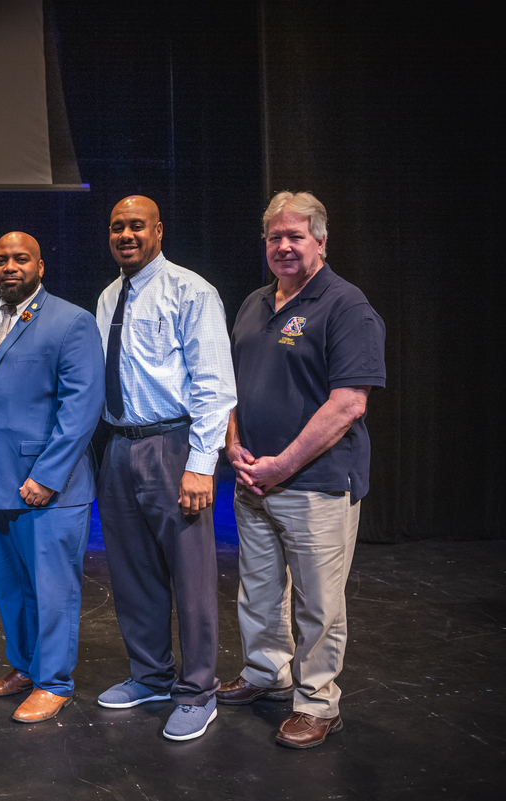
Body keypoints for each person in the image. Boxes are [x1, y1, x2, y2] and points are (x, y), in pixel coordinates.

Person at [220, 191, 385, 749]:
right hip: (253, 480)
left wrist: (282, 465)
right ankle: (267, 673)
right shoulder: (252, 304)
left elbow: (349, 404)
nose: (284, 246)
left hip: (315, 483)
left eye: (296, 235)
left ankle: (318, 702)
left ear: (320, 240)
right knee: (260, 591)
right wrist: (234, 445)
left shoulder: (346, 306)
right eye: (275, 237)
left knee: (319, 602)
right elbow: (231, 389)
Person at [93, 195, 236, 742]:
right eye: (116, 227)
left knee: (191, 573)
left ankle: (198, 689)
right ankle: (150, 675)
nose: (125, 235)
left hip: (173, 444)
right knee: (130, 571)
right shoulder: (109, 296)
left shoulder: (190, 289)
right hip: (121, 445)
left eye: (136, 226)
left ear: (158, 229)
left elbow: (215, 385)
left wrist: (202, 464)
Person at [0, 232, 105, 724]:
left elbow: (82, 406)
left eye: (20, 259)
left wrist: (47, 475)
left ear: (40, 266)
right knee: (11, 590)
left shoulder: (72, 321)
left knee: (52, 591)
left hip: (45, 487)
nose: (9, 267)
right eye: (1, 259)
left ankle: (55, 682)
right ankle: (26, 668)